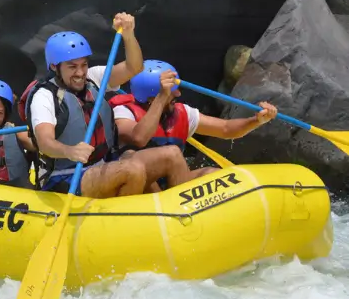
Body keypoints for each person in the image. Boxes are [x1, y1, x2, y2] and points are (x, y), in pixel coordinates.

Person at [19, 13, 195, 198]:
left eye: (83, 65)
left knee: (172, 154)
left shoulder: (93, 78)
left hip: (104, 163)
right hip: (65, 176)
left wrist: (128, 35)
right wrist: (69, 151)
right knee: (132, 170)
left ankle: (183, 212)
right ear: (55, 67)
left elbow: (134, 67)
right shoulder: (44, 96)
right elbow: (45, 142)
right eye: (72, 67)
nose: (80, 73)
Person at [109, 59, 279, 185]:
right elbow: (139, 138)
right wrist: (161, 99)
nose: (178, 95)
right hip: (140, 186)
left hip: (171, 184)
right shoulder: (123, 112)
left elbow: (226, 129)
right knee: (171, 154)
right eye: (171, 92)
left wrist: (256, 121)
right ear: (152, 98)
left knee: (215, 175)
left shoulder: (181, 113)